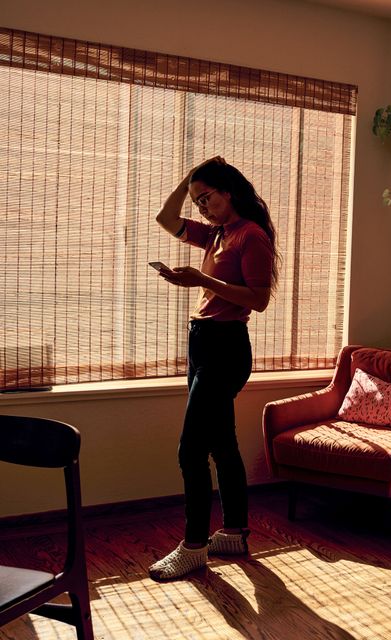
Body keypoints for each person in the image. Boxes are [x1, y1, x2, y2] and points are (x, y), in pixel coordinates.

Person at [148, 157, 278, 581]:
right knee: (222, 444)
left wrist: (202, 282)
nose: (200, 207)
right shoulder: (216, 234)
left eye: (206, 197)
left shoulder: (250, 235)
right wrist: (188, 178)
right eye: (197, 200)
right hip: (202, 343)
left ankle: (193, 546)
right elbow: (165, 218)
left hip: (225, 348)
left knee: (191, 449)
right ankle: (236, 532)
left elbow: (258, 300)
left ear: (229, 191)